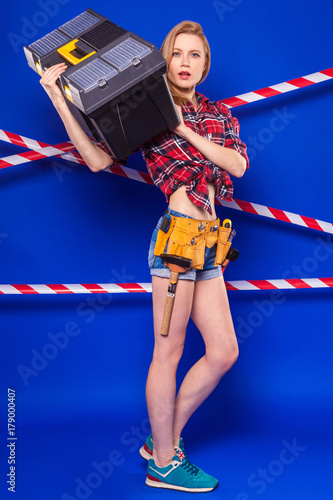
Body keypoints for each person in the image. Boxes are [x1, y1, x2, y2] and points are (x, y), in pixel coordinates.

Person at [40, 20, 249, 493]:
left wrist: (184, 130)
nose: (185, 63)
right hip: (176, 241)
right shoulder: (144, 110)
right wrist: (58, 98)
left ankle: (162, 441)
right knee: (169, 352)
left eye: (195, 55)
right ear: (164, 60)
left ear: (205, 65)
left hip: (211, 241)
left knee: (223, 352)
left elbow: (236, 164)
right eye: (177, 54)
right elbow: (97, 160)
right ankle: (164, 463)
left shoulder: (218, 116)